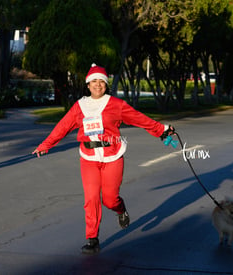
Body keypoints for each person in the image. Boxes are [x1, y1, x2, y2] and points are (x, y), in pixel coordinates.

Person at [32, 63, 175, 254]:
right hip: (88, 157)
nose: (97, 85)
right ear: (88, 84)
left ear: (106, 85)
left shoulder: (116, 105)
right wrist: (46, 144)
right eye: (94, 81)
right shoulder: (80, 106)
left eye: (101, 81)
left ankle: (120, 209)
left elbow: (139, 119)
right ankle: (92, 239)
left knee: (109, 199)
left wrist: (161, 130)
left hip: (113, 155)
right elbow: (62, 126)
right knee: (91, 198)